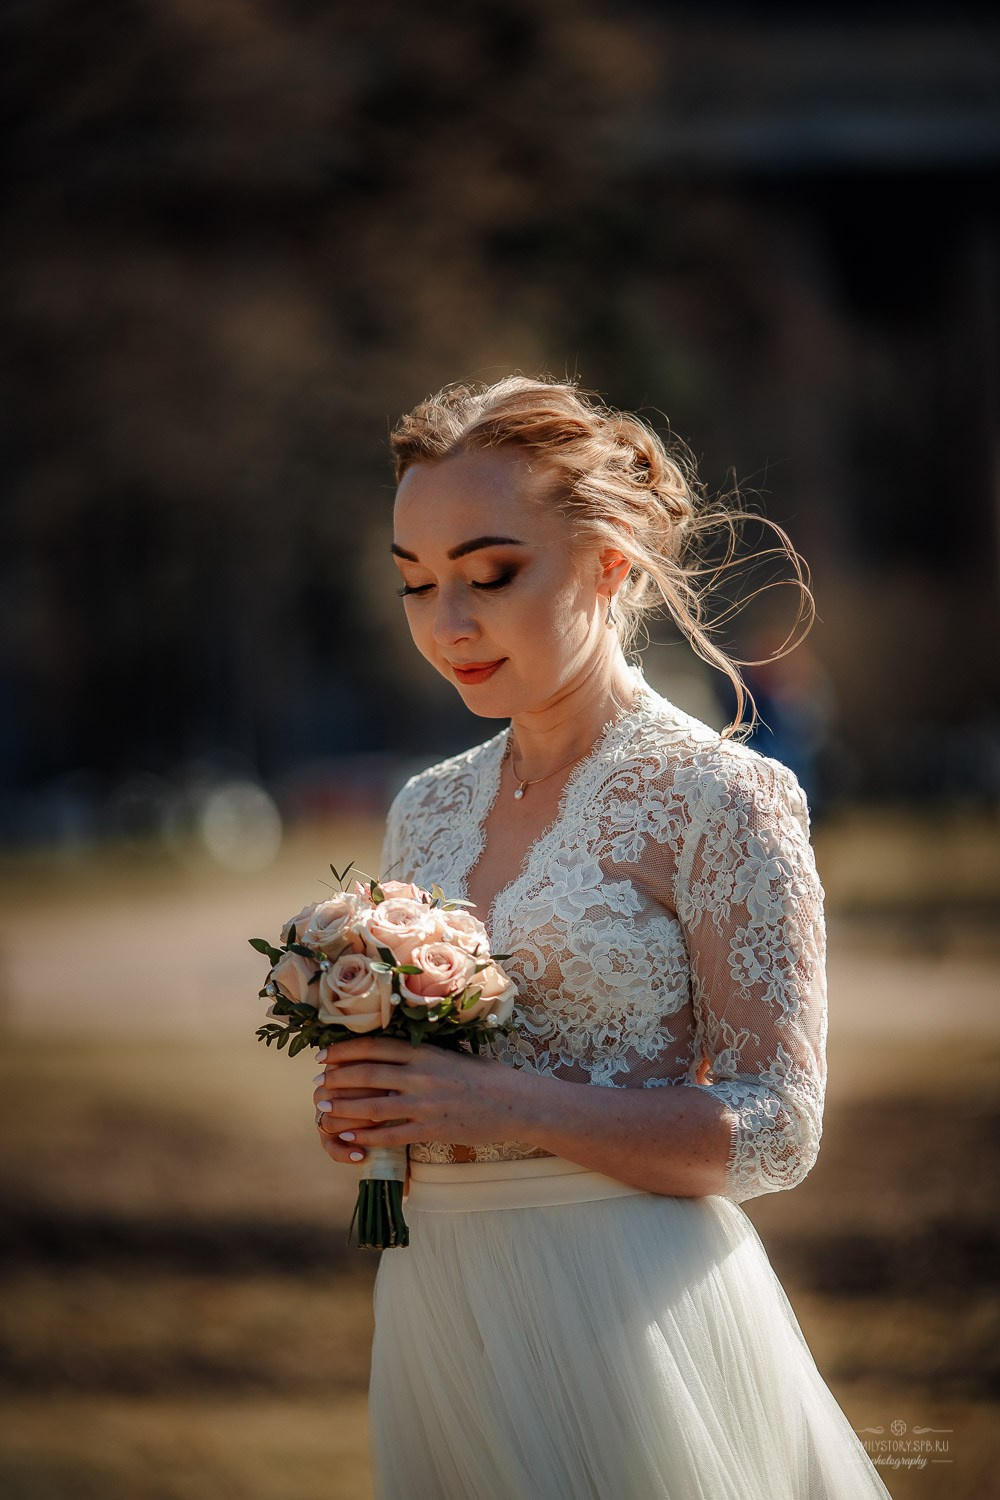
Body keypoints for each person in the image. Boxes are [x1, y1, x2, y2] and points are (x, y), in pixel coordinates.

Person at [312, 375, 893, 1499]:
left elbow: (778, 1128)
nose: (449, 623)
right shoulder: (423, 806)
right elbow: (441, 1077)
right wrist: (372, 1105)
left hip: (630, 1316)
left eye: (490, 576)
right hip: (439, 1304)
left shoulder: (721, 797)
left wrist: (508, 1108)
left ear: (609, 562)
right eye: (417, 585)